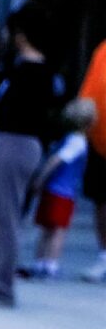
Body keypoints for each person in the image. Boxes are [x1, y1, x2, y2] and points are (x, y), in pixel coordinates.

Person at [0, 9, 63, 310]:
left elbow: (26, 113)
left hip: (18, 145)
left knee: (4, 217)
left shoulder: (35, 73)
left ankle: (1, 289)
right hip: (8, 141)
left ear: (22, 35)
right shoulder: (19, 70)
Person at [25, 97, 94, 280]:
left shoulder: (65, 139)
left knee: (46, 229)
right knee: (58, 230)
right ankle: (51, 265)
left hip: (52, 190)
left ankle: (39, 262)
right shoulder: (78, 142)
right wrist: (41, 177)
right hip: (63, 193)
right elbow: (58, 160)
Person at [77, 37, 106, 283]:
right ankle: (104, 256)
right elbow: (88, 93)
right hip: (99, 138)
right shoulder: (103, 51)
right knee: (102, 200)